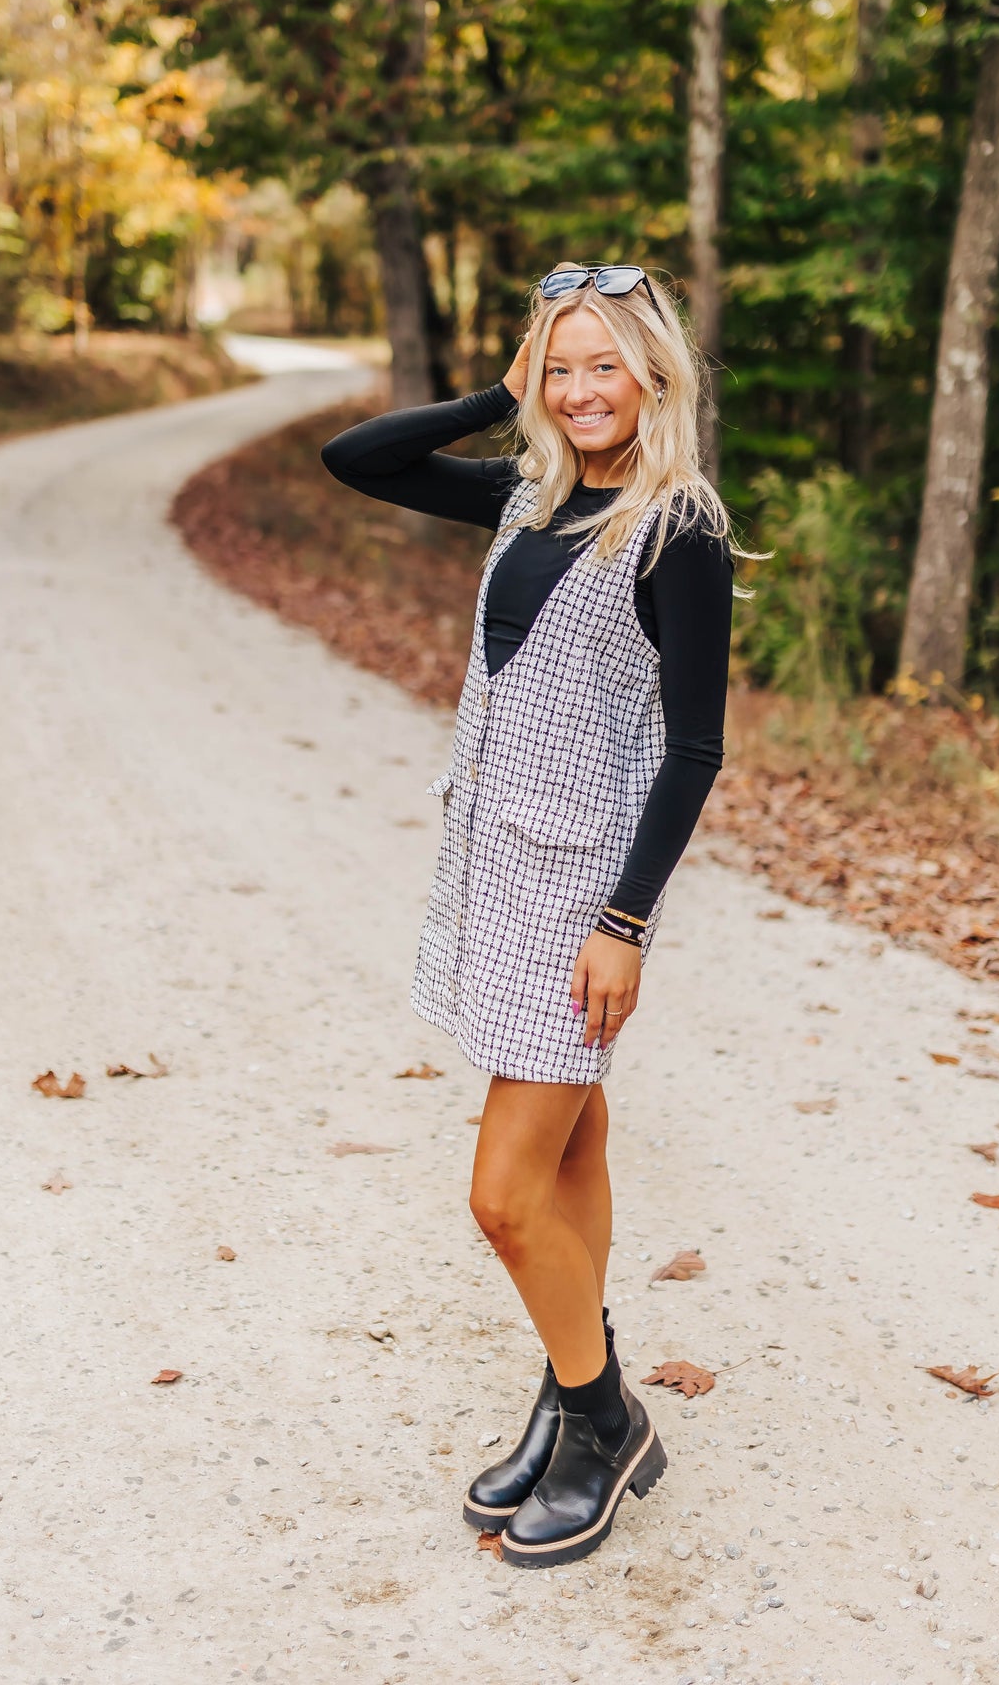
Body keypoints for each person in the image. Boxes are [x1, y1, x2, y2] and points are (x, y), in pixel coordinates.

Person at [321, 263, 736, 1568]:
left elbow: (692, 751)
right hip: (500, 870)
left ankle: (604, 1419)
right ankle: (571, 1404)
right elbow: (357, 455)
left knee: (502, 1195)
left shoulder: (677, 529)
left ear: (653, 372)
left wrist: (623, 921)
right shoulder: (529, 494)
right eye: (558, 368)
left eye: (600, 364)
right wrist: (493, 394)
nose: (578, 390)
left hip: (581, 894)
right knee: (571, 1146)